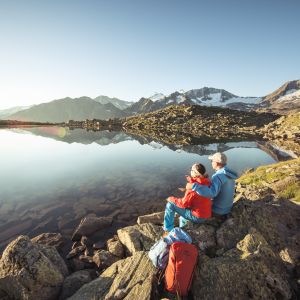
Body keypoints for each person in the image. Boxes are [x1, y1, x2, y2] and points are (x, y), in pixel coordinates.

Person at [163, 163, 212, 233]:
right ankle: (183, 228)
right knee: (182, 216)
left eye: (191, 170)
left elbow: (183, 204)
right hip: (206, 214)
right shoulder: (207, 182)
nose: (190, 171)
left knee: (170, 205)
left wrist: (171, 199)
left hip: (198, 217)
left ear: (196, 174)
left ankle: (168, 229)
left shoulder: (192, 188)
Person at [186, 152, 238, 217]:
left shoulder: (218, 176)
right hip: (228, 207)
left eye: (212, 161)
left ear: (216, 163)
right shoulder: (228, 172)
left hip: (218, 210)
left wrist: (193, 186)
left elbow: (211, 194)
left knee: (192, 206)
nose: (211, 163)